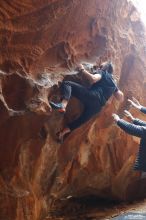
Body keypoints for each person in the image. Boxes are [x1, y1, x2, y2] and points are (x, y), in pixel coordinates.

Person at [50, 61, 124, 142]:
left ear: (106, 67)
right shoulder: (113, 83)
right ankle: (61, 133)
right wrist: (116, 87)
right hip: (97, 107)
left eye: (101, 65)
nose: (99, 66)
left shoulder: (103, 73)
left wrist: (82, 69)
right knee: (80, 121)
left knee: (67, 84)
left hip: (92, 96)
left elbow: (93, 78)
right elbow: (120, 98)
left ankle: (63, 105)